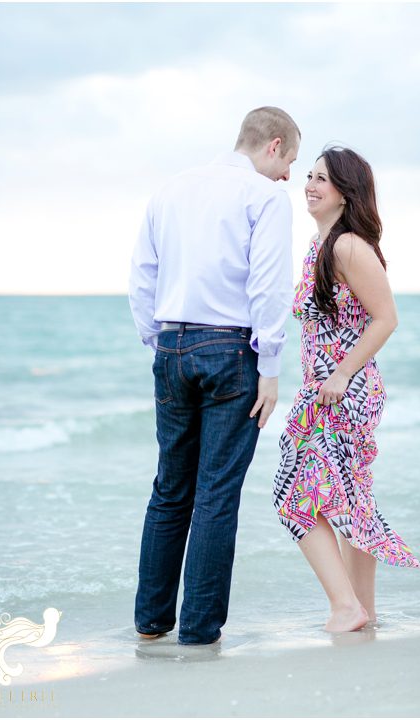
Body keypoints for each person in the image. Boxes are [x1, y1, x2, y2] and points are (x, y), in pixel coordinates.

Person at [129, 106, 300, 645]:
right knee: (217, 494)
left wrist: (159, 341)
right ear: (273, 146)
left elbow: (142, 276)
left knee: (170, 489)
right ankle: (199, 630)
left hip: (172, 342)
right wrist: (269, 366)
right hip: (231, 349)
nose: (290, 175)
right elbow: (268, 284)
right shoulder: (265, 197)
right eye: (290, 160)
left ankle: (151, 623)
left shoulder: (171, 189)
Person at [273, 145, 420, 634]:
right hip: (326, 389)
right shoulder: (319, 246)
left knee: (294, 494)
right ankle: (363, 610)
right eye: (309, 176)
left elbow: (386, 319)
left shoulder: (347, 246)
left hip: (342, 391)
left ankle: (345, 607)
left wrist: (340, 375)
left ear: (345, 191)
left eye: (323, 179)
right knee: (351, 500)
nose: (310, 185)